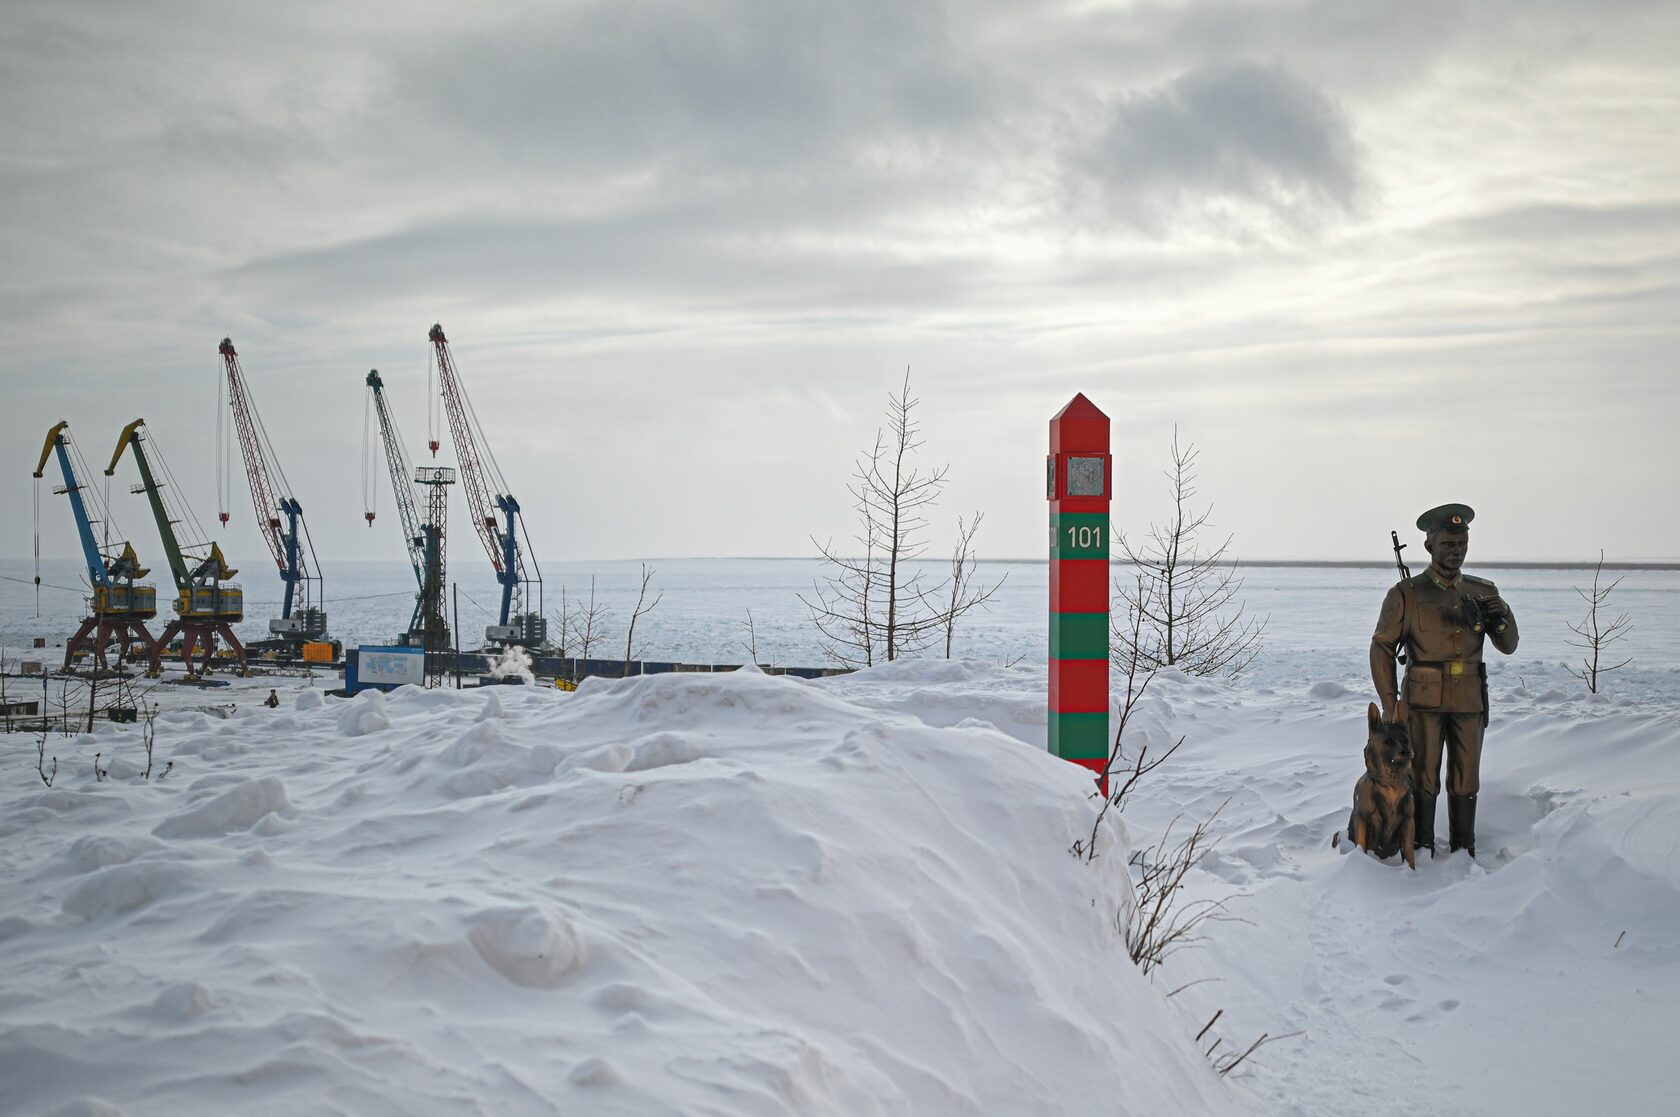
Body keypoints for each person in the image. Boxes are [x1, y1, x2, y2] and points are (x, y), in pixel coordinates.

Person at [1370, 503, 1519, 857]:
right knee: (1423, 775)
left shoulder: (1484, 590)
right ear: (1429, 546)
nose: (1456, 551)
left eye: (1461, 544)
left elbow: (1508, 645)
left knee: (1466, 778)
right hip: (1422, 701)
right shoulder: (1407, 593)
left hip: (1469, 698)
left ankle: (1463, 849)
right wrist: (1391, 703)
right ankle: (1421, 846)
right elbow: (1382, 647)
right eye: (1448, 544)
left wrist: (1503, 615)